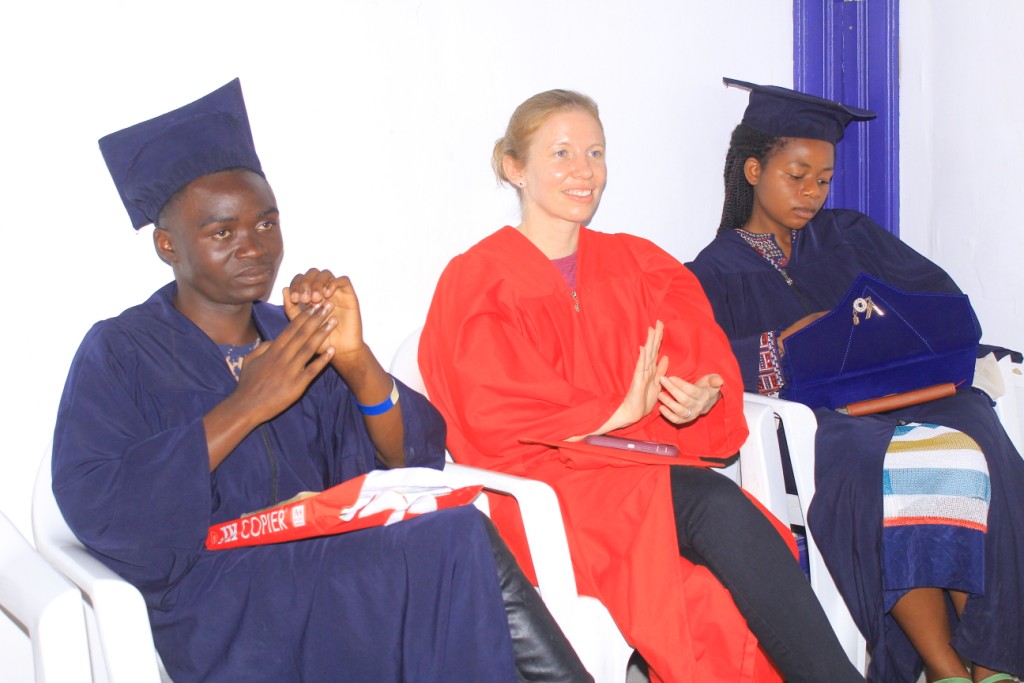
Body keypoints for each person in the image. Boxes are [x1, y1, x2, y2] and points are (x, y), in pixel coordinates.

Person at [52, 79, 591, 683]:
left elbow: (409, 458)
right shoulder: (122, 351)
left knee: (452, 544)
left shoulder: (296, 335)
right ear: (167, 245)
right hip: (217, 601)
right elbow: (100, 504)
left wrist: (354, 358)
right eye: (222, 232)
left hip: (327, 560)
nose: (253, 248)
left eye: (266, 224)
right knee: (452, 549)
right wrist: (247, 405)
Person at [419, 89, 865, 683]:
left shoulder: (637, 264)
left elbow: (698, 355)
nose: (584, 170)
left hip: (637, 468)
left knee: (712, 591)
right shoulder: (476, 279)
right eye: (561, 153)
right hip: (543, 489)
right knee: (715, 506)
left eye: (595, 152)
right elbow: (486, 412)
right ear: (515, 167)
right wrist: (612, 411)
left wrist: (702, 393)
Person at [686, 78, 1024, 683]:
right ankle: (946, 666)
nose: (812, 193)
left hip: (902, 393)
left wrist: (887, 323)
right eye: (797, 175)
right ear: (754, 171)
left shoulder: (850, 235)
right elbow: (706, 365)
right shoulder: (714, 271)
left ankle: (994, 659)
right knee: (908, 467)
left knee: (978, 432)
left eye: (824, 179)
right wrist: (785, 343)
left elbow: (935, 300)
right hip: (823, 422)